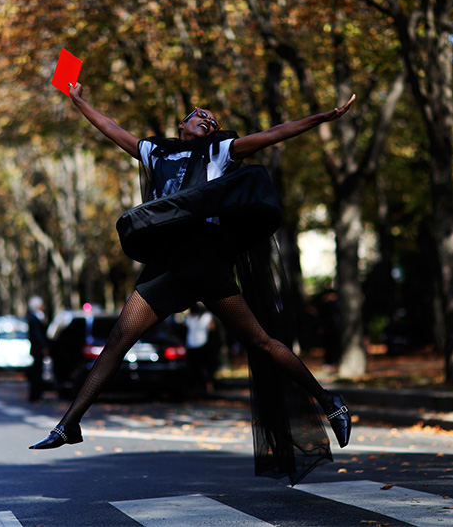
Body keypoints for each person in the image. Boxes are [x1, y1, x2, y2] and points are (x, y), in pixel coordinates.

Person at [30, 80, 355, 484]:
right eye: (200, 115)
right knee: (117, 342)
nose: (207, 120)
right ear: (182, 124)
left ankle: (331, 403)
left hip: (205, 255)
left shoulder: (219, 149)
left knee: (259, 341)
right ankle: (68, 425)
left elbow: (272, 135)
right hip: (168, 260)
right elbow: (112, 129)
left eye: (213, 120)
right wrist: (79, 101)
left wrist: (320, 118)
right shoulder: (155, 151)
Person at [26, 296, 49, 402]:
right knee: (37, 372)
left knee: (38, 372)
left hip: (36, 349)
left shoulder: (36, 317)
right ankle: (35, 395)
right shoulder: (34, 318)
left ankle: (37, 394)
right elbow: (37, 334)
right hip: (37, 349)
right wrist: (43, 346)